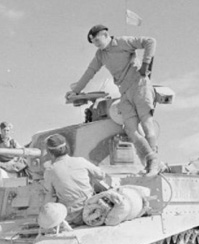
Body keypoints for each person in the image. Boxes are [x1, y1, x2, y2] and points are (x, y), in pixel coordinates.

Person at [68, 24, 159, 177]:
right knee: (131, 130)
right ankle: (151, 159)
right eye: (93, 42)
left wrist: (145, 64)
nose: (96, 44)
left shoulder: (122, 42)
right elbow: (90, 72)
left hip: (140, 86)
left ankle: (153, 166)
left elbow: (150, 41)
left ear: (105, 35)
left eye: (97, 40)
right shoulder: (100, 55)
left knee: (147, 124)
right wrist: (75, 90)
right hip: (124, 92)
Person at [43, 133, 107, 225]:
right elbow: (101, 175)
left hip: (71, 215)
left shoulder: (49, 171)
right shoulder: (81, 161)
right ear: (67, 148)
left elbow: (49, 195)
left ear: (50, 153)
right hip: (92, 209)